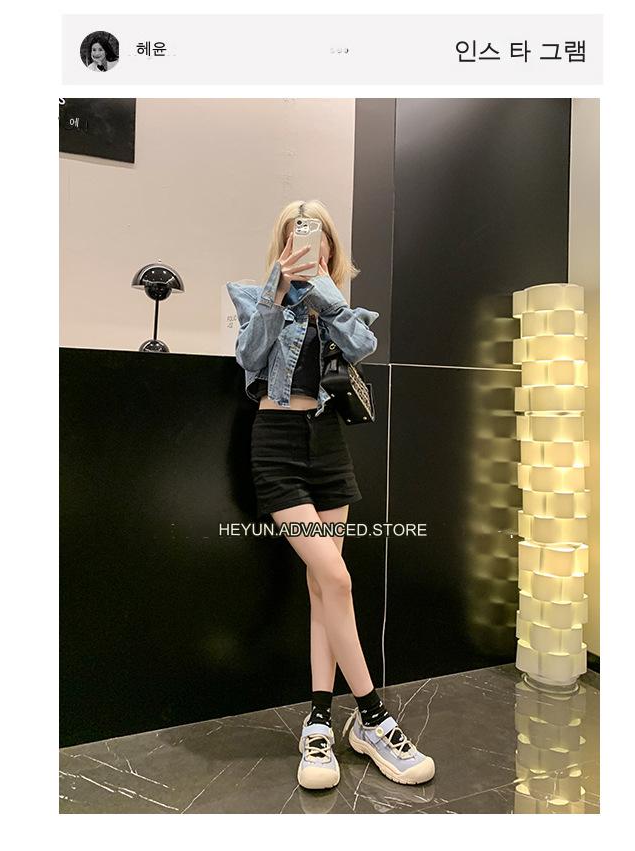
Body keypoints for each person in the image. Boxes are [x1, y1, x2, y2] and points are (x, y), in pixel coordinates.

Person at [226, 200, 435, 790]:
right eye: (294, 234)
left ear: (329, 246)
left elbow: (362, 345)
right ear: (282, 244)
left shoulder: (341, 307)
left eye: (314, 235)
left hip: (328, 447)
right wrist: (278, 291)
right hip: (276, 445)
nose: (304, 243)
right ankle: (372, 718)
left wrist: (324, 294)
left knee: (324, 586)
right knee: (337, 579)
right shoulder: (255, 297)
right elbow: (249, 358)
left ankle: (319, 721)